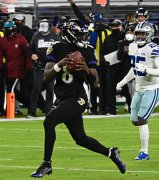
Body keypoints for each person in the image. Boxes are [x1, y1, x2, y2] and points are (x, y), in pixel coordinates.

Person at [30, 19, 126, 178]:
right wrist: (60, 64)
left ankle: (46, 164)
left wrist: (87, 70)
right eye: (80, 35)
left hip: (78, 99)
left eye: (83, 35)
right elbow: (46, 77)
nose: (83, 38)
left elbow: (95, 84)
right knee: (80, 139)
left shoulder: (87, 50)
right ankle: (111, 153)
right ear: (69, 34)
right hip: (62, 99)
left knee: (49, 121)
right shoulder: (57, 47)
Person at [116, 22, 159, 160]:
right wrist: (122, 82)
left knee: (142, 118)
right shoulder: (132, 47)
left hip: (152, 88)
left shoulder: (154, 48)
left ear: (149, 34)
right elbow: (134, 69)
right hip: (139, 89)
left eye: (143, 33)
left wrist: (147, 70)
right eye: (138, 33)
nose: (139, 36)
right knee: (134, 120)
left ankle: (144, 152)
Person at [27, 19, 61, 118]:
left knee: (50, 90)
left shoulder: (55, 37)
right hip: (38, 66)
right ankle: (32, 111)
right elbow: (30, 48)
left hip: (50, 67)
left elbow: (60, 49)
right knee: (36, 89)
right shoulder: (36, 36)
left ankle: (48, 111)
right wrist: (32, 54)